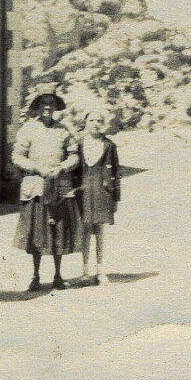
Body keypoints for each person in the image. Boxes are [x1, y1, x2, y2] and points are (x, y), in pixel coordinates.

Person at [12, 92, 82, 291]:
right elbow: (17, 156)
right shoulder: (27, 129)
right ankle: (35, 276)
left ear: (56, 107)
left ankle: (58, 276)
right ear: (37, 106)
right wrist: (35, 168)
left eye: (51, 104)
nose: (47, 107)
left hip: (59, 187)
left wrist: (62, 168)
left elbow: (74, 155)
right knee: (37, 233)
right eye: (43, 104)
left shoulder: (63, 130)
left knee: (58, 231)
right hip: (35, 186)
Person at [76, 111, 121, 286]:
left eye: (99, 120)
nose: (95, 123)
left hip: (103, 192)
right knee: (86, 231)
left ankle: (100, 271)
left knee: (100, 231)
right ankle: (86, 271)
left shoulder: (109, 145)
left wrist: (116, 197)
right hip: (84, 191)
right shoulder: (79, 144)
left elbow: (116, 172)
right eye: (92, 120)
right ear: (85, 122)